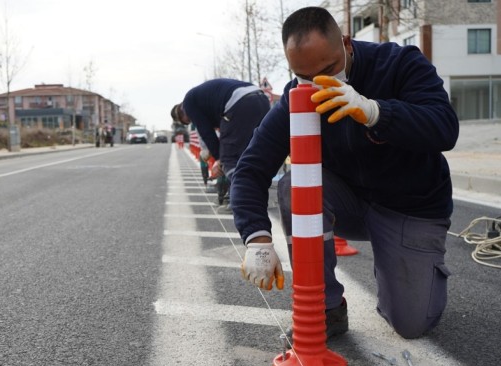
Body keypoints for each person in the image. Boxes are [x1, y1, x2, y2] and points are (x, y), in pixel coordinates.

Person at [230, 6, 459, 341]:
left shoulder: (399, 63)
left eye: (328, 70)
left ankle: (398, 270)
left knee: (411, 324)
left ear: (347, 44)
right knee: (295, 184)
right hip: (350, 202)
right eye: (302, 76)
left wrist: (375, 111)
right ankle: (327, 308)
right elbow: (251, 168)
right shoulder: (295, 96)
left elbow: (444, 128)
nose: (315, 84)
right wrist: (256, 238)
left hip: (412, 207)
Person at [171, 78, 271, 212]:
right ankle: (257, 197)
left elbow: (206, 132)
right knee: (250, 153)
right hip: (261, 99)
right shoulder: (203, 99)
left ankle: (241, 202)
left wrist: (219, 158)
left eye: (186, 122)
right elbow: (222, 127)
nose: (189, 122)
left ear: (181, 114)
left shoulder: (189, 104)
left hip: (240, 103)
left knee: (230, 158)